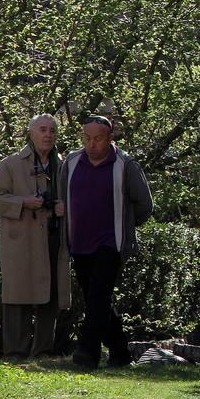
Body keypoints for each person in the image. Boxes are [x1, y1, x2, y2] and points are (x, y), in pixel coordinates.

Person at [57, 115, 154, 369]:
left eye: (98, 139)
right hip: (79, 242)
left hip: (111, 242)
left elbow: (145, 204)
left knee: (99, 294)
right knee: (96, 298)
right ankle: (120, 352)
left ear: (110, 138)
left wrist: (127, 227)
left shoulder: (125, 164)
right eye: (86, 138)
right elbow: (62, 197)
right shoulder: (71, 162)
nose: (91, 144)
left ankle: (87, 352)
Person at [0, 113, 70, 359]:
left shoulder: (63, 165)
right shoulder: (11, 164)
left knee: (51, 295)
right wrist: (24, 202)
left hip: (53, 238)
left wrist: (62, 207)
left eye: (52, 130)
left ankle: (43, 351)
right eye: (43, 129)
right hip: (21, 241)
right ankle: (15, 352)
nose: (48, 134)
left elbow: (72, 200)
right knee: (17, 295)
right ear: (31, 133)